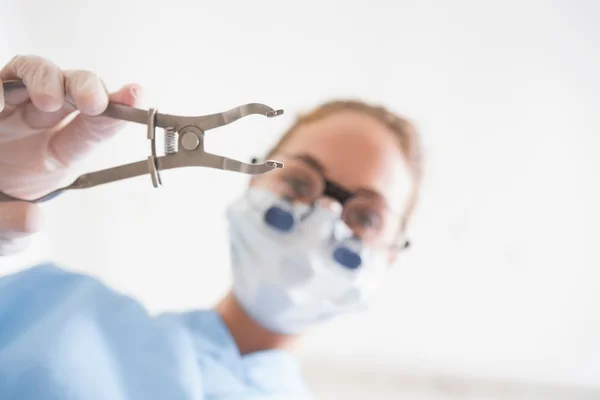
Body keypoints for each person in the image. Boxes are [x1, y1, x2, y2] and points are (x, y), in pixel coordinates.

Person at [0, 55, 423, 399]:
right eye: (298, 182)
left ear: (390, 256)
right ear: (253, 180)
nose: (323, 216)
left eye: (366, 217)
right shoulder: (59, 311)